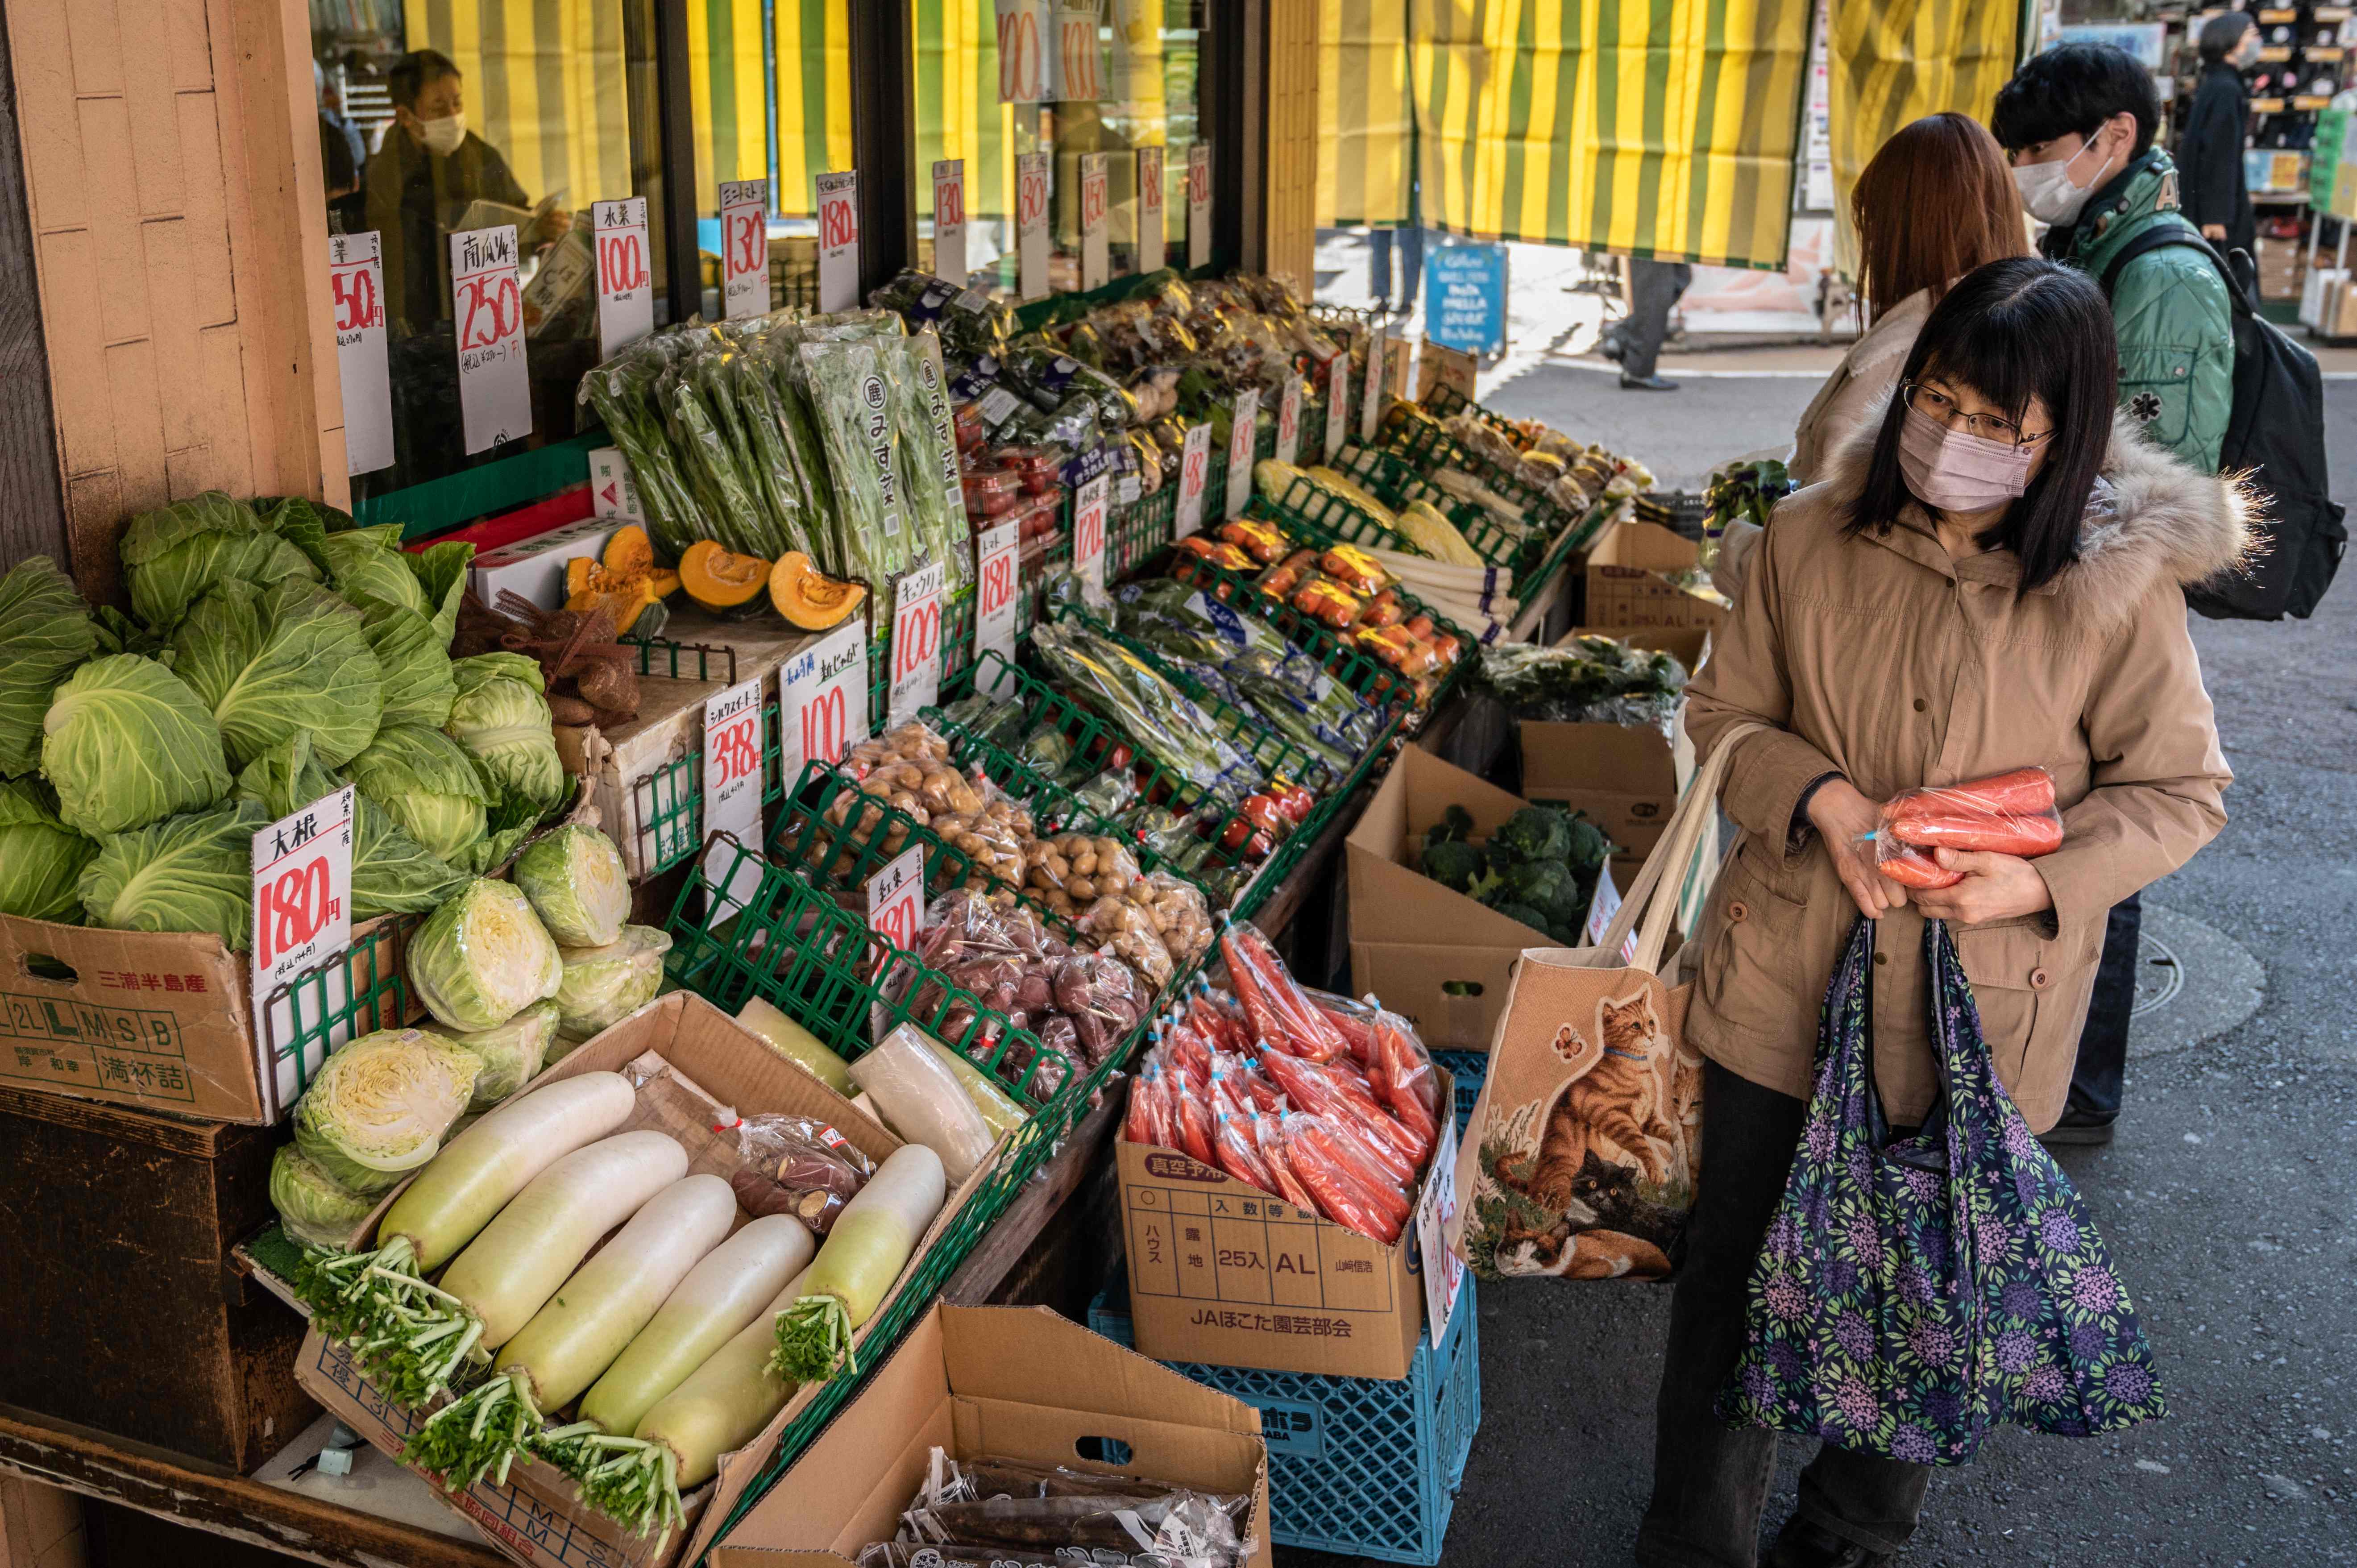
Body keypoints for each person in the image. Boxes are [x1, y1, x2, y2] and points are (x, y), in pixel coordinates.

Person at [1639, 257, 2241, 1568]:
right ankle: (1690, 1547)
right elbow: (1719, 716)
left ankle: (1846, 1538)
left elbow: (2180, 789)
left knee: (1920, 1305)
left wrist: (2034, 879)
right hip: (1776, 991)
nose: (1948, 441)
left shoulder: (2113, 589)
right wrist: (1816, 794)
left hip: (1985, 1019)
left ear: (2059, 437)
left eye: (1995, 424)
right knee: (1732, 1293)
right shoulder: (1801, 538)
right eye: (1935, 399)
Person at [1992, 41, 2236, 1144]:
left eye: (2037, 151)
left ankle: (2081, 1094)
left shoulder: (2165, 276)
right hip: (2068, 574)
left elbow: (2151, 470)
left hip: (2113, 596)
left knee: (2114, 827)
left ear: (2114, 139)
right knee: (2062, 814)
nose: (2024, 171)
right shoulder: (2085, 240)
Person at [1718, 113, 2032, 599]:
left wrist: (1731, 548)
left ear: (1905, 229)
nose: (1867, 242)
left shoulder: (1912, 349)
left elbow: (1826, 551)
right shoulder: (2018, 326)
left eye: (1873, 222)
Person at [364, 49, 567, 336]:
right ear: (405, 116)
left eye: (457, 103)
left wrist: (543, 229)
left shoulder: (482, 158)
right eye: (438, 108)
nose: (453, 116)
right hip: (415, 320)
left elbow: (520, 219)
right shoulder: (384, 176)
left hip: (485, 309)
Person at [2177, 12, 2260, 257]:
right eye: (2252, 35)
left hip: (2205, 205)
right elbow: (2218, 152)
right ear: (2231, 42)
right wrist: (2216, 216)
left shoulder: (2217, 83)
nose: (2258, 42)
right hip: (2214, 216)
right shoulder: (2226, 89)